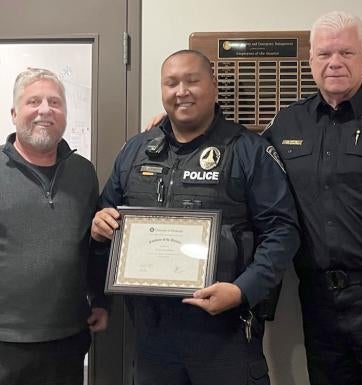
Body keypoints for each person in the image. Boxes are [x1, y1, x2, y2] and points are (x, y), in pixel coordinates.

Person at [91, 49, 300, 385]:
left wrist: (242, 290)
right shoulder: (135, 150)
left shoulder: (248, 151)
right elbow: (106, 218)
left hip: (225, 334)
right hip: (151, 336)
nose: (181, 91)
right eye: (171, 83)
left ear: (214, 87)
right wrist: (100, 225)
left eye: (192, 81)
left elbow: (283, 233)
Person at [262, 11, 362, 385]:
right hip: (319, 301)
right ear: (311, 60)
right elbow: (240, 159)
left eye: (346, 52)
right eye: (325, 54)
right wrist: (173, 123)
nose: (335, 63)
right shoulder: (287, 123)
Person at [0, 68, 108, 385]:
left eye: (55, 102)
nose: (45, 110)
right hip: (5, 340)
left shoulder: (83, 172)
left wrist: (101, 300)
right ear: (15, 112)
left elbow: (92, 245)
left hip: (68, 336)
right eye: (34, 101)